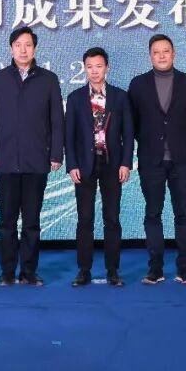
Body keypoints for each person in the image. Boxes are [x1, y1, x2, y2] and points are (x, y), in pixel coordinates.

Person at [0, 27, 64, 287]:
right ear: (11, 49)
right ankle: (7, 272)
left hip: (36, 161)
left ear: (35, 48)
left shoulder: (48, 79)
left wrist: (56, 153)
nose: (23, 49)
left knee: (31, 221)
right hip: (5, 160)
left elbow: (57, 120)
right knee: (7, 221)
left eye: (28, 44)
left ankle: (29, 271)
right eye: (18, 44)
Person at [127, 34, 186, 285]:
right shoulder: (138, 84)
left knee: (183, 213)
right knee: (153, 214)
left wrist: (178, 139)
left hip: (181, 161)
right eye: (156, 52)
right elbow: (133, 123)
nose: (161, 55)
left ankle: (184, 270)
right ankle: (155, 270)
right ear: (150, 56)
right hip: (151, 161)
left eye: (166, 51)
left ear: (174, 54)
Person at [65, 47, 134, 288]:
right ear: (85, 69)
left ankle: (113, 270)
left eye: (99, 66)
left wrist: (126, 163)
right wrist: (72, 165)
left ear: (107, 68)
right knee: (85, 219)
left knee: (112, 219)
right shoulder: (75, 98)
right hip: (84, 165)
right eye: (90, 67)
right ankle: (83, 270)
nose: (94, 71)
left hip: (112, 164)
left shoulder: (120, 97)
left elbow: (128, 134)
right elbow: (69, 136)